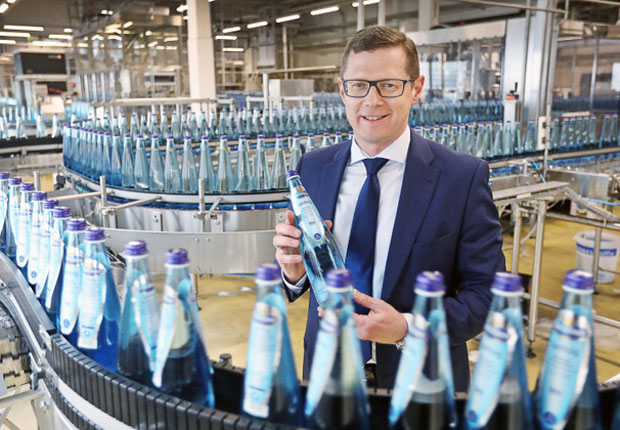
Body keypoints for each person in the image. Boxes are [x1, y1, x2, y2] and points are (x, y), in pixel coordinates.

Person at [273, 25, 505, 392]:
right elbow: (300, 276)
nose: (372, 100)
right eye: (359, 85)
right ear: (342, 90)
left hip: (422, 380)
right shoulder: (312, 169)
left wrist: (407, 328)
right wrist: (293, 271)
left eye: (389, 85)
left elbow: (486, 295)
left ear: (416, 89)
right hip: (327, 371)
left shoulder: (461, 177)